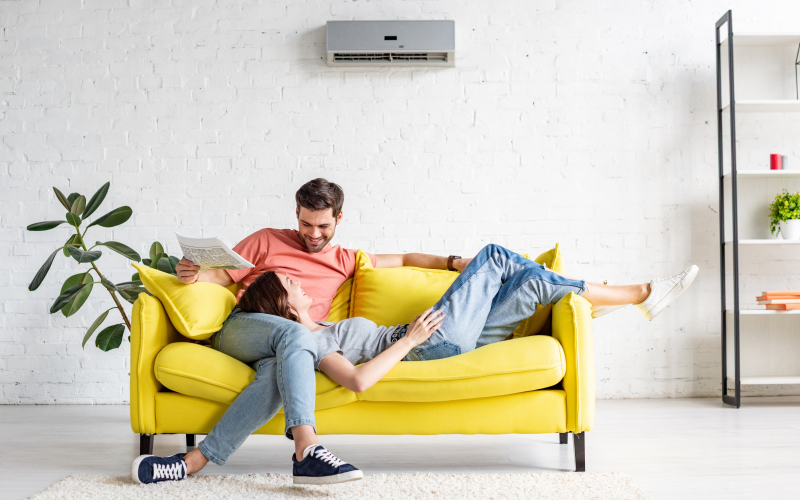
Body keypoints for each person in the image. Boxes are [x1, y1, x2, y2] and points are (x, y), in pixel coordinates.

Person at [132, 178, 475, 486]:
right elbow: (220, 278)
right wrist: (192, 275)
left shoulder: (344, 259)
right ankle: (306, 449)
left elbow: (401, 259)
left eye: (323, 225)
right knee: (298, 336)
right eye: (305, 223)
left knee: (276, 375)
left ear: (338, 219)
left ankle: (190, 463)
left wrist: (453, 262)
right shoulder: (265, 240)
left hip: (291, 347)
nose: (313, 234)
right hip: (244, 328)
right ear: (296, 213)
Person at [236, 244, 699, 399]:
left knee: (536, 284)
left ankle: (639, 298)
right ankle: (638, 293)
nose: (300, 285)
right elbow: (357, 381)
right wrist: (410, 337)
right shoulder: (310, 343)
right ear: (285, 305)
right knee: (496, 255)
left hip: (450, 339)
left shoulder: (314, 328)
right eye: (290, 285)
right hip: (426, 341)